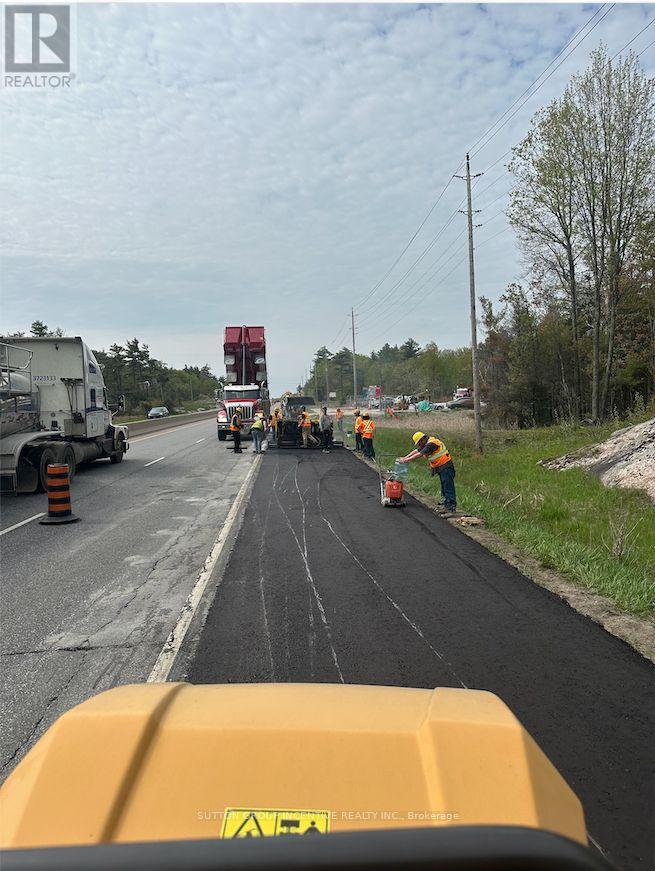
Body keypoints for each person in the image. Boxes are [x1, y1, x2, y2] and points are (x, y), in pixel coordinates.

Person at [398, 431, 457, 515]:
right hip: (441, 467)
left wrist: (406, 460)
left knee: (448, 487)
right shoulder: (426, 443)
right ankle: (446, 505)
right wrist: (405, 457)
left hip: (446, 467)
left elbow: (419, 454)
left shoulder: (432, 444)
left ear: (422, 439)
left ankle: (450, 508)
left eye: (419, 443)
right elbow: (416, 451)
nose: (419, 445)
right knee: (444, 486)